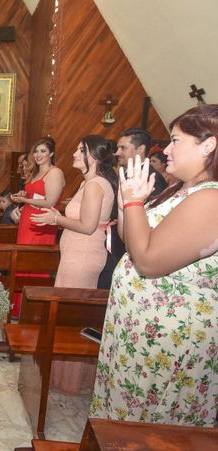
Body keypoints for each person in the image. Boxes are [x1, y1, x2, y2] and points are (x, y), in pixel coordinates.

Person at [90, 104, 218, 427]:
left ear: (209, 145)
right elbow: (134, 243)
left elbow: (146, 261)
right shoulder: (182, 190)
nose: (166, 149)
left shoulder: (211, 199)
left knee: (148, 428)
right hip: (139, 332)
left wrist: (134, 202)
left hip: (168, 341)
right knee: (121, 422)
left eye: (176, 141)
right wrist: (126, 202)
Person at [32, 135, 116, 394]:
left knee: (71, 316)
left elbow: (88, 226)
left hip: (82, 257)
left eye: (81, 151)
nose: (74, 155)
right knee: (71, 313)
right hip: (77, 254)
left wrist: (56, 218)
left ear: (94, 155)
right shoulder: (90, 183)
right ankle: (65, 375)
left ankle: (69, 380)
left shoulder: (94, 185)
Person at [98, 128, 167, 288]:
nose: (116, 152)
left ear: (140, 149)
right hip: (117, 243)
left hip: (131, 250)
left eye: (123, 148)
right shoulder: (126, 173)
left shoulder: (152, 178)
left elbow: (148, 220)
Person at [12, 137, 65, 245]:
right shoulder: (35, 172)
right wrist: (24, 195)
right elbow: (36, 194)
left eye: (43, 151)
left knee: (35, 255)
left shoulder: (55, 172)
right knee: (23, 253)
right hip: (27, 217)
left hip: (42, 219)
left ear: (51, 154)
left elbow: (50, 202)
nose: (38, 154)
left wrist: (25, 200)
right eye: (36, 151)